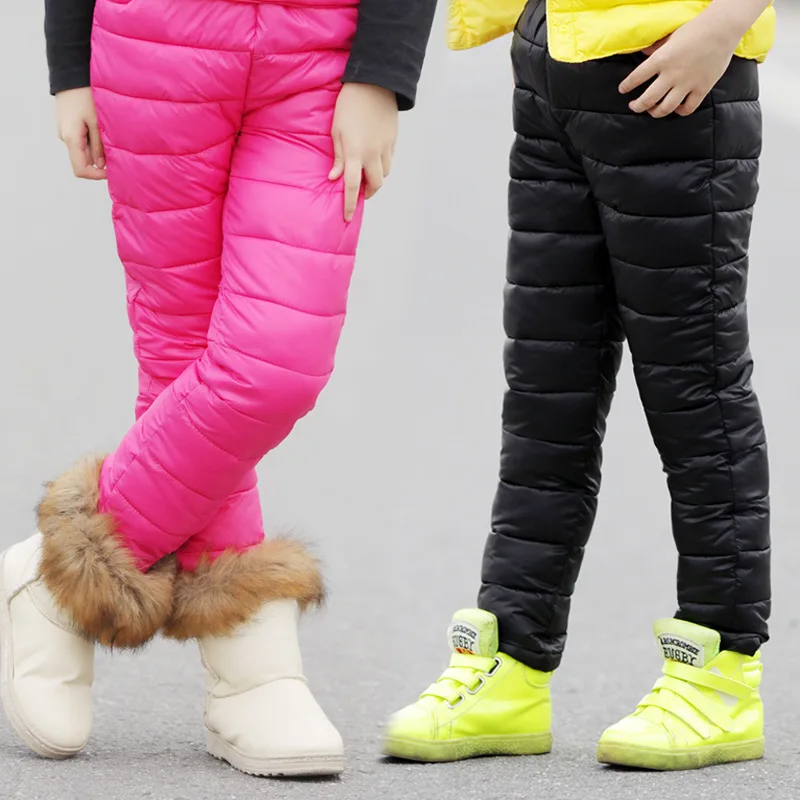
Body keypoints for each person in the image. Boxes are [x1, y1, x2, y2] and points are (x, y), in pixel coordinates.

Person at [0, 0, 434, 778]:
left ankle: (55, 579)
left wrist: (382, 74)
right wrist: (70, 70)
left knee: (275, 362)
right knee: (178, 357)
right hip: (154, 46)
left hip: (317, 58)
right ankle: (251, 674)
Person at [383, 0, 775, 772]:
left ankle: (723, 676)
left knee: (696, 394)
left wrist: (723, 25)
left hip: (676, 69)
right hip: (554, 69)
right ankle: (512, 663)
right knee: (544, 398)